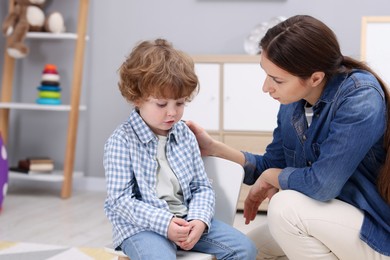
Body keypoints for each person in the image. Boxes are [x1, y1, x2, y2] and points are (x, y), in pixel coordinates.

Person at [186, 15, 390, 260]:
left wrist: (273, 177)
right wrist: (214, 148)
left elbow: (321, 185)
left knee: (284, 208)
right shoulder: (293, 103)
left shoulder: (360, 97)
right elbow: (269, 166)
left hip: (374, 230)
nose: (266, 87)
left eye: (277, 80)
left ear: (315, 78)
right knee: (245, 250)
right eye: (266, 74)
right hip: (329, 219)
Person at [103, 38, 257, 260]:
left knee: (245, 249)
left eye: (180, 103)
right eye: (161, 104)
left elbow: (201, 187)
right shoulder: (121, 141)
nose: (172, 113)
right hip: (141, 228)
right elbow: (120, 201)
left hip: (186, 219)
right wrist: (165, 223)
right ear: (136, 98)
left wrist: (199, 220)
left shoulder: (185, 135)